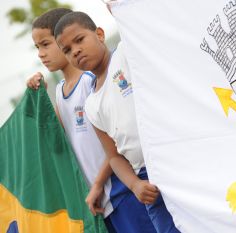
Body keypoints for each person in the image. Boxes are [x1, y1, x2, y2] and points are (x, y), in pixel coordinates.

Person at [28, 8, 156, 233]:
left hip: (122, 189)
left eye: (46, 44)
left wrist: (99, 183)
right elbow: (57, 141)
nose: (40, 53)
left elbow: (114, 145)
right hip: (100, 202)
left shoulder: (92, 82)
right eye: (37, 47)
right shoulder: (59, 92)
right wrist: (39, 97)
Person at [54, 11, 180, 233]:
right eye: (67, 50)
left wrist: (117, 7)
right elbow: (113, 156)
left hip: (175, 159)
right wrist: (134, 184)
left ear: (100, 34)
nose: (76, 51)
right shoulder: (91, 104)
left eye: (79, 40)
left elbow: (136, 21)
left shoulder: (125, 56)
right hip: (145, 179)